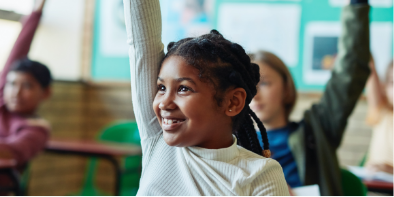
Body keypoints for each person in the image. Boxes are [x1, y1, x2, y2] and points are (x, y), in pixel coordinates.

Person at [123, 0, 289, 196]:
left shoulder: (262, 174)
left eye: (184, 89)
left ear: (232, 102)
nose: (164, 103)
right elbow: (141, 41)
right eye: (161, 87)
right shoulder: (157, 139)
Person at [250, 0, 370, 196]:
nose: (255, 95)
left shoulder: (317, 131)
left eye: (264, 83)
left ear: (286, 88)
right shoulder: (232, 143)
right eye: (248, 87)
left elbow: (350, 72)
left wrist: (357, 7)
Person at [0, 0, 51, 192]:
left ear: (45, 93)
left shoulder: (37, 130)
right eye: (11, 84)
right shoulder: (3, 101)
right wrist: (35, 13)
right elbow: (18, 51)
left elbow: (11, 150)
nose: (16, 92)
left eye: (27, 86)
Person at [364, 58, 394, 175]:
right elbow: (370, 68)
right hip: (375, 187)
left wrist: (389, 170)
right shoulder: (382, 111)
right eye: (393, 83)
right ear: (385, 87)